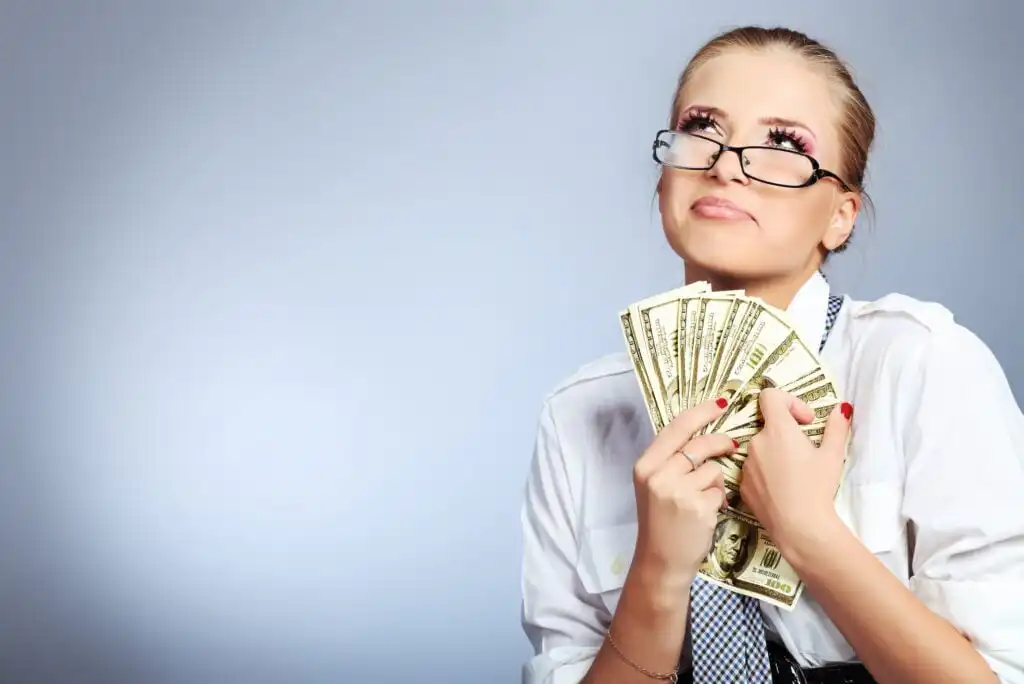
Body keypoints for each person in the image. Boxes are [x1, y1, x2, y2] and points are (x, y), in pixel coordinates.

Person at [519, 25, 1024, 684]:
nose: (726, 165)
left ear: (841, 216)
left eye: (784, 143)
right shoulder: (580, 415)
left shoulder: (921, 364)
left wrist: (807, 531)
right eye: (701, 128)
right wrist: (657, 572)